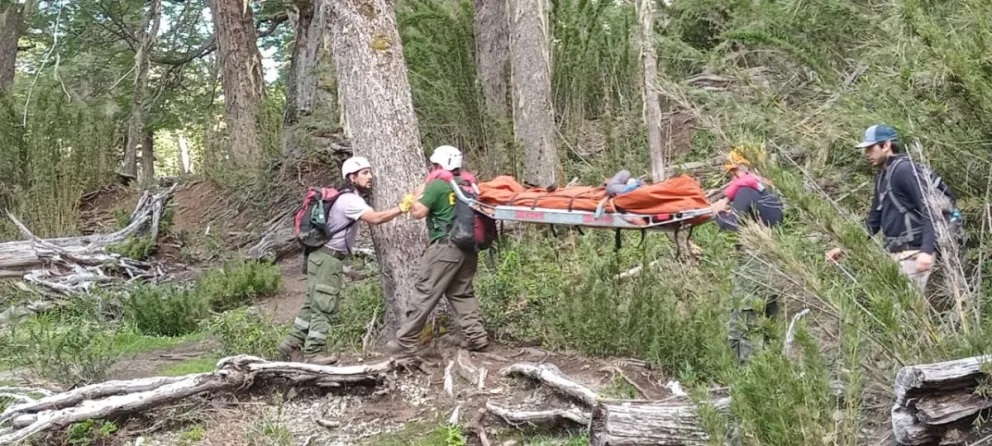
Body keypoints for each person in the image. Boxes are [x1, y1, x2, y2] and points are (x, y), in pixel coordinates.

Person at [278, 156, 415, 364]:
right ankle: (314, 352)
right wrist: (402, 208)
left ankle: (291, 344)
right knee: (324, 304)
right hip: (328, 259)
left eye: (370, 172)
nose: (370, 177)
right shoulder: (350, 200)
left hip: (319, 257)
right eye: (365, 173)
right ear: (352, 177)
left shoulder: (344, 197)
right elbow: (375, 218)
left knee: (312, 302)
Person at [385, 145, 490, 356]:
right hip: (468, 247)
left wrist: (416, 194)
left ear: (438, 165)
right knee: (461, 293)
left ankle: (406, 340)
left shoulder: (438, 185)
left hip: (445, 247)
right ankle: (477, 337)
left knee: (425, 292)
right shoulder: (468, 185)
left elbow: (418, 212)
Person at [825, 124, 956, 292]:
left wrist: (926, 251)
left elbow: (930, 210)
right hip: (899, 255)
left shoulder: (904, 170)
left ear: (886, 145)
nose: (867, 153)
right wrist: (844, 246)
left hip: (914, 254)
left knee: (907, 306)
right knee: (904, 306)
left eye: (871, 148)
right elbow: (873, 223)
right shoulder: (883, 177)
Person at [710, 147, 785, 363]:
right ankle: (773, 370)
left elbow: (734, 225)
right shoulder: (770, 191)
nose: (732, 176)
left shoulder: (745, 191)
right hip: (774, 264)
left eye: (734, 171)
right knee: (769, 321)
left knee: (745, 322)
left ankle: (747, 373)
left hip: (753, 264)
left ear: (746, 167)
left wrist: (717, 214)